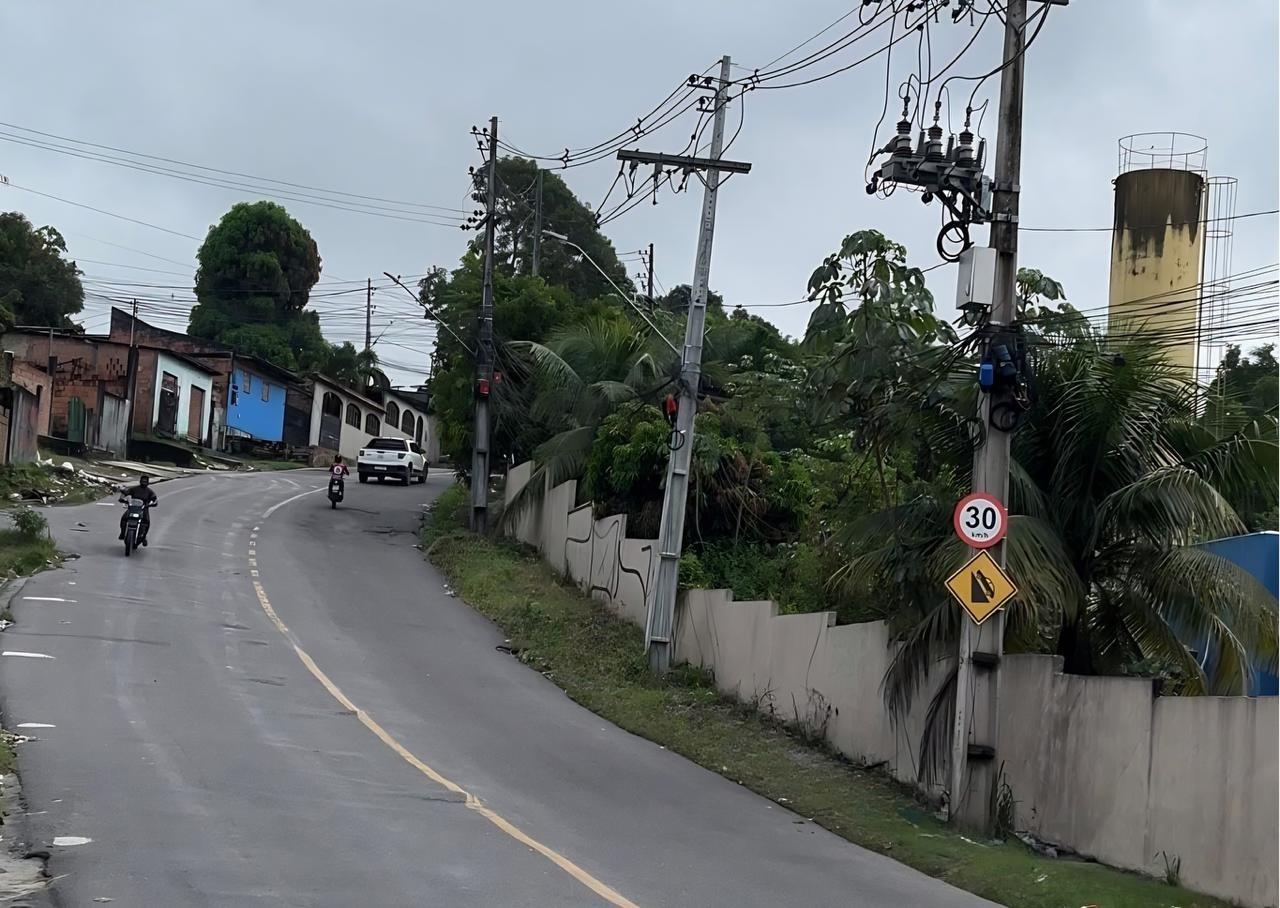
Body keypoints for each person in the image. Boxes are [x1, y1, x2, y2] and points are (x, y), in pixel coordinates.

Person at [118, 474, 158, 545]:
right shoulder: (134, 489)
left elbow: (155, 500)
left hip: (143, 509)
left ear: (148, 483)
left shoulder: (150, 492)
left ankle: (144, 537)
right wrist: (122, 499)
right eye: (143, 481)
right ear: (140, 481)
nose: (144, 483)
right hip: (133, 508)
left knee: (147, 522)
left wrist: (152, 504)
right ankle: (122, 533)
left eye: (145, 481)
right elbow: (126, 493)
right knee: (124, 518)